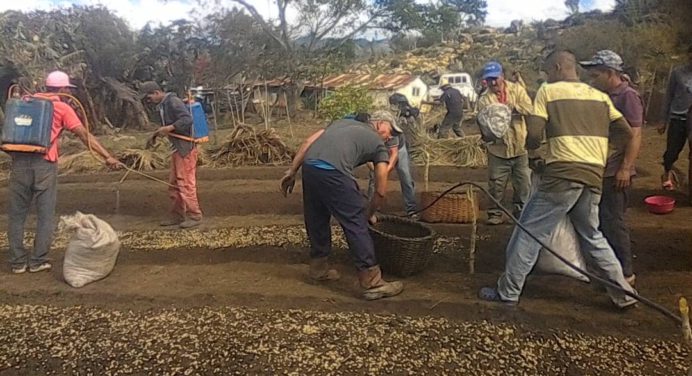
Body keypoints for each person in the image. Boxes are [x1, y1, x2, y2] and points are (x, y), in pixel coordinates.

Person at [478, 51, 637, 309]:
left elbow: (535, 133)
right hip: (593, 175)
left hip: (562, 175)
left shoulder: (548, 91)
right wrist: (600, 155)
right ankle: (625, 295)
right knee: (592, 235)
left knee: (529, 233)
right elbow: (626, 133)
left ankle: (508, 292)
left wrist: (535, 153)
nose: (546, 76)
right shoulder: (599, 97)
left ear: (558, 67)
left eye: (547, 70)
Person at [8, 71, 121, 274]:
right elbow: (84, 135)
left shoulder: (26, 102)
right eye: (68, 88)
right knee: (45, 214)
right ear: (63, 89)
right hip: (44, 163)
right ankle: (37, 261)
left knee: (17, 215)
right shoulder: (61, 107)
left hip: (19, 162)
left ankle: (17, 262)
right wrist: (107, 156)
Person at [279, 115, 404, 301]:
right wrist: (368, 213)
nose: (388, 137)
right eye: (390, 131)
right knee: (355, 222)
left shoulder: (342, 123)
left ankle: (318, 268)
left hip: (310, 166)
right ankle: (372, 281)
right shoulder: (379, 146)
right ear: (380, 122)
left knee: (317, 216)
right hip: (333, 172)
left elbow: (308, 142)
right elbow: (380, 191)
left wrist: (292, 171)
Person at [580, 50, 644, 286]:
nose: (592, 80)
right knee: (600, 221)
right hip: (600, 167)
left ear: (610, 73)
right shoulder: (601, 95)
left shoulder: (628, 96)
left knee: (613, 221)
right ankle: (610, 272)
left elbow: (635, 135)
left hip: (615, 170)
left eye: (596, 75)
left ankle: (626, 274)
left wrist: (626, 168)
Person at [140, 81, 203, 229]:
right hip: (177, 148)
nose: (148, 101)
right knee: (174, 184)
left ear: (156, 93)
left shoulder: (173, 102)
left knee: (185, 183)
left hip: (185, 148)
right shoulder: (163, 105)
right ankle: (177, 215)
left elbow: (187, 120)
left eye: (149, 97)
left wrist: (170, 128)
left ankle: (195, 215)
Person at [476, 61, 533, 224]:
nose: (493, 83)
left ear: (502, 76)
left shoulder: (517, 90)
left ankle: (521, 212)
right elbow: (485, 121)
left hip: (519, 146)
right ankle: (495, 214)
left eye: (495, 78)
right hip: (498, 149)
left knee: (523, 183)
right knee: (496, 183)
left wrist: (512, 108)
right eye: (489, 80)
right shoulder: (484, 99)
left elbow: (529, 108)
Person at [365, 110, 419, 219]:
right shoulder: (367, 133)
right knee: (374, 178)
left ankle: (411, 209)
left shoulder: (392, 134)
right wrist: (375, 170)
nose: (390, 134)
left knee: (405, 176)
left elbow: (394, 155)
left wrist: (385, 171)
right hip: (378, 149)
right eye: (388, 131)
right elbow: (367, 157)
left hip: (398, 149)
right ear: (380, 124)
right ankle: (372, 209)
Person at [658, 45, 692, 191]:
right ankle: (667, 173)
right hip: (678, 117)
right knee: (672, 151)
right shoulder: (678, 73)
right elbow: (668, 96)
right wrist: (663, 120)